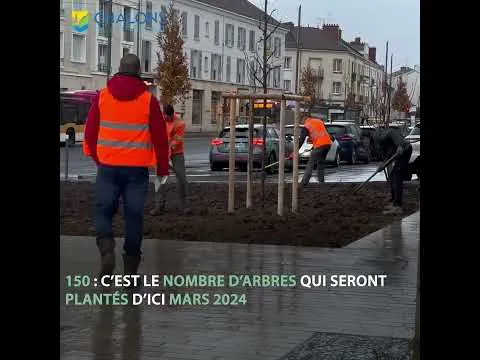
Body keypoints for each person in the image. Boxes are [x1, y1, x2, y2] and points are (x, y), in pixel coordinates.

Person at [83, 54, 169, 279]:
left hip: (108, 168)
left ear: (118, 70)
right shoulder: (148, 100)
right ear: (139, 72)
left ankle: (107, 251)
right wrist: (161, 170)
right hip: (136, 171)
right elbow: (160, 138)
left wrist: (98, 159)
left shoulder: (102, 97)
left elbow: (90, 134)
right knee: (134, 217)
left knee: (103, 210)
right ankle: (130, 273)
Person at [150, 103, 189, 215]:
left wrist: (167, 147)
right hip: (163, 152)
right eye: (166, 117)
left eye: (170, 117)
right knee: (159, 179)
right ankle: (158, 206)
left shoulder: (179, 124)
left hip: (176, 153)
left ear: (173, 114)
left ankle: (184, 206)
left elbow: (176, 142)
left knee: (181, 178)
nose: (168, 119)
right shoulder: (160, 121)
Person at [375, 128, 413, 215]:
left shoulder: (388, 134)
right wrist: (381, 166)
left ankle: (398, 206)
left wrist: (399, 146)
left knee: (397, 177)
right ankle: (393, 202)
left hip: (405, 150)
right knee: (392, 177)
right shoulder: (383, 146)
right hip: (400, 155)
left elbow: (398, 139)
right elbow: (387, 159)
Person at [299, 117, 333, 186]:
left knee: (310, 164)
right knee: (320, 164)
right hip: (327, 144)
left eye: (301, 121)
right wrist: (314, 147)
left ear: (304, 119)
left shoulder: (307, 125)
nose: (302, 123)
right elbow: (323, 135)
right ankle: (321, 182)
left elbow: (301, 139)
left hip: (320, 145)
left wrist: (295, 151)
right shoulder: (319, 121)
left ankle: (303, 183)